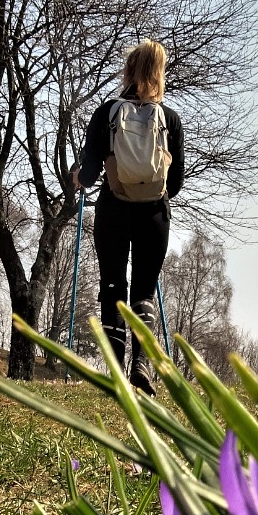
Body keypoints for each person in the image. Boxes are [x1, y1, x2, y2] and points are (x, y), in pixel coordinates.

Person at [73, 40, 184, 394]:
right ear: (159, 74)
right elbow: (177, 183)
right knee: (144, 292)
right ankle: (143, 365)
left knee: (112, 286)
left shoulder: (107, 112)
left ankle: (117, 371)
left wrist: (80, 177)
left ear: (129, 72)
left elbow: (89, 174)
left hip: (113, 210)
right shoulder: (170, 120)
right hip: (154, 214)